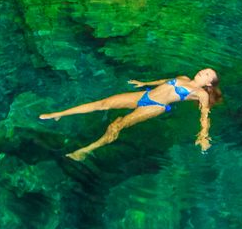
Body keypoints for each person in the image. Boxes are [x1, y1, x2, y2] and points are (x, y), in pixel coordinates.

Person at [38, 68, 222, 160]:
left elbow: (204, 114)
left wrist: (203, 135)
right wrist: (144, 83)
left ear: (208, 85)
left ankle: (85, 151)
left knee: (116, 125)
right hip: (143, 95)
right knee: (102, 104)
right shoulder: (183, 78)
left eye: (207, 75)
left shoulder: (201, 94)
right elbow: (164, 80)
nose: (202, 72)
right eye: (204, 70)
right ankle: (59, 113)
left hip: (155, 106)